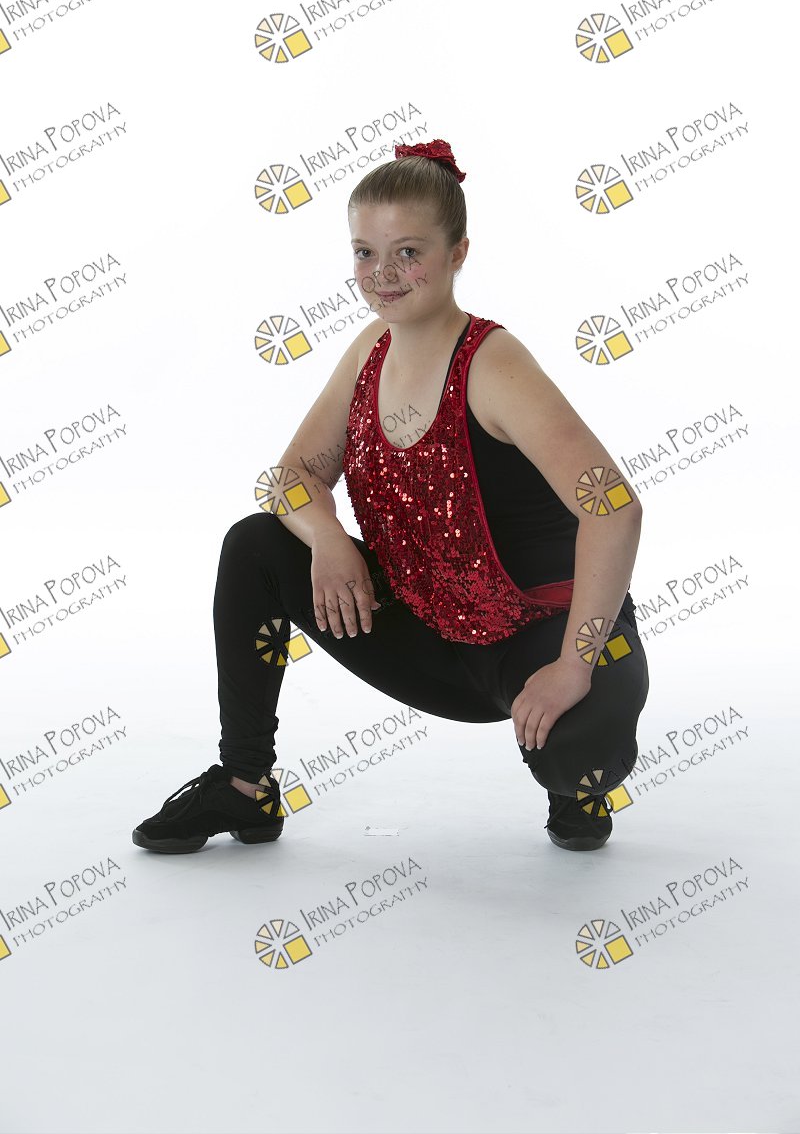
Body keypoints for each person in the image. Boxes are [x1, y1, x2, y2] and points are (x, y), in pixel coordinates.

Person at [132, 138, 649, 856]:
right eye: (365, 253)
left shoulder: (494, 365)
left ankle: (576, 790)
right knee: (255, 544)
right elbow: (291, 477)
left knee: (574, 759)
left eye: (408, 252)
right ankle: (245, 786)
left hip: (538, 634)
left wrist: (573, 666)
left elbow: (614, 507)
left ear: (458, 252)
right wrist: (328, 540)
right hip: (427, 633)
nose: (383, 274)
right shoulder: (370, 348)